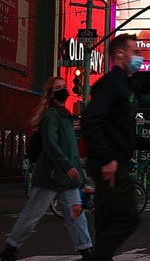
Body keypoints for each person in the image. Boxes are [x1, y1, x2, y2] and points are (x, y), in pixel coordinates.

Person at [0, 77, 93, 261]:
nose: (63, 90)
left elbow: (71, 149)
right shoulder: (52, 115)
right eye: (58, 88)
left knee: (76, 213)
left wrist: (77, 174)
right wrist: (68, 166)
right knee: (32, 215)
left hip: (67, 178)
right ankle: (11, 249)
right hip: (50, 176)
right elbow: (50, 144)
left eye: (64, 87)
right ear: (51, 95)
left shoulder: (64, 115)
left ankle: (86, 250)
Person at [81, 34, 150, 261]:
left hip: (111, 160)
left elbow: (121, 131)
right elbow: (90, 121)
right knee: (128, 217)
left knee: (106, 219)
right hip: (110, 164)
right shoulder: (111, 84)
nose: (139, 57)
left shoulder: (124, 85)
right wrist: (107, 159)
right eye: (136, 51)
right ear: (120, 54)